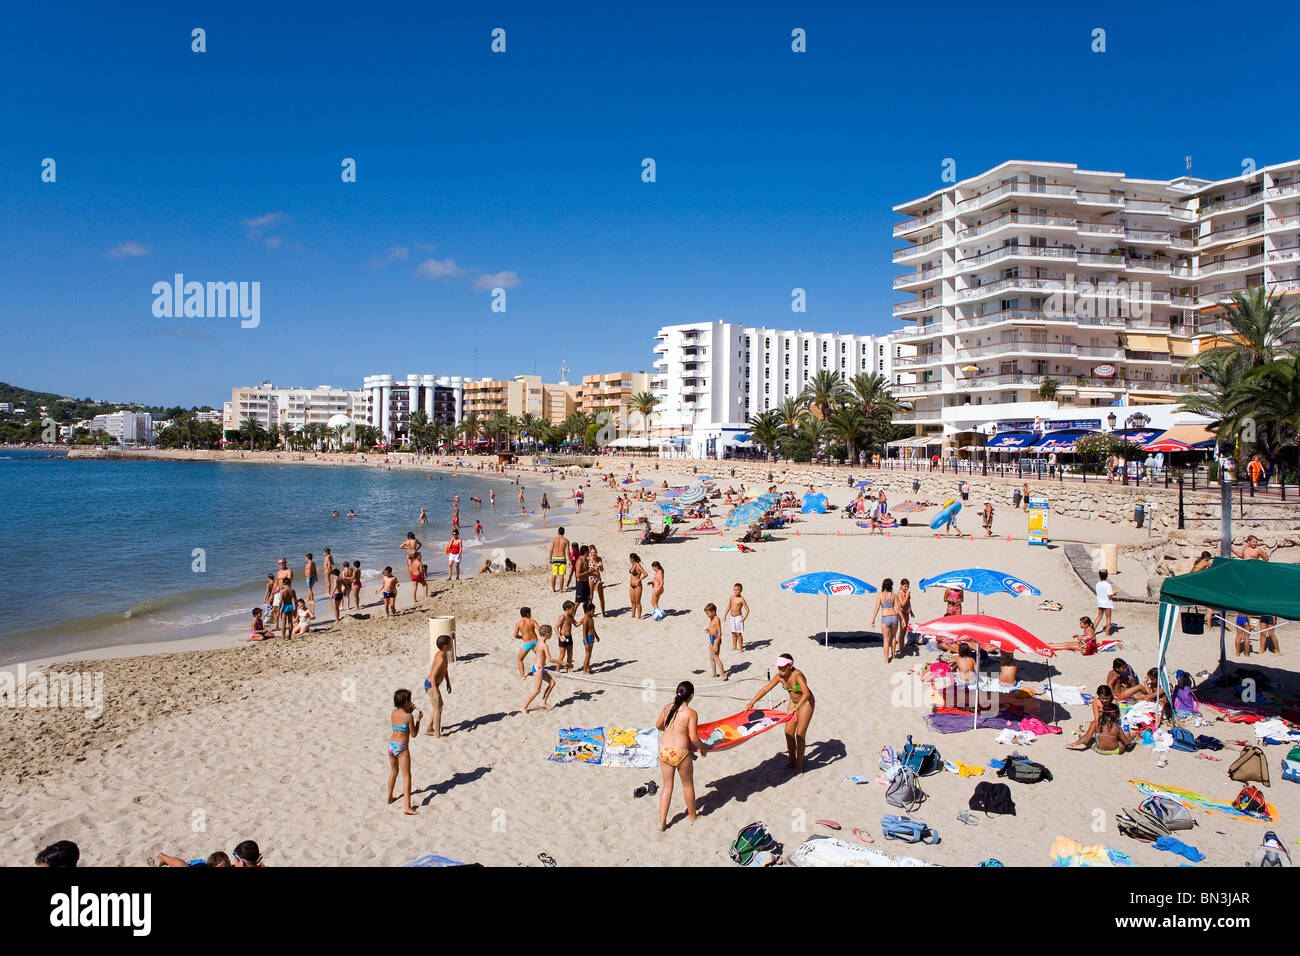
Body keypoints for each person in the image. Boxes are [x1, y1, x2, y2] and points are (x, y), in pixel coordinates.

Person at [746, 655, 815, 772]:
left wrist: (796, 708)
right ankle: (792, 762)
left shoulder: (797, 675)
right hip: (793, 702)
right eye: (779, 667)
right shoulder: (779, 677)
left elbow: (806, 693)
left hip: (806, 702)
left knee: (800, 734)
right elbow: (766, 689)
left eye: (783, 667)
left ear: (790, 666)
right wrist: (752, 702)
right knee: (788, 733)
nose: (780, 670)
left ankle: (799, 766)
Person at [656, 681, 709, 830]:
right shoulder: (691, 713)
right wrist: (702, 748)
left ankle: (662, 821)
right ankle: (692, 815)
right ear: (691, 695)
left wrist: (668, 729)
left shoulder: (668, 708)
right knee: (687, 785)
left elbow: (658, 725)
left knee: (667, 786)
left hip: (664, 749)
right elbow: (693, 737)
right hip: (680, 752)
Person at [385, 689, 422, 816]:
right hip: (402, 747)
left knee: (394, 772)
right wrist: (418, 720)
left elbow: (399, 723)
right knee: (407, 776)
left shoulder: (393, 712)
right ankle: (407, 806)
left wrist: (408, 711)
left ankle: (389, 798)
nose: (411, 702)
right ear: (406, 702)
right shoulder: (409, 717)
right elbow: (414, 734)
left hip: (391, 745)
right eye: (409, 700)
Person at [521, 625, 562, 713]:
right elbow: (550, 659)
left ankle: (543, 702)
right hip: (538, 669)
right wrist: (561, 662)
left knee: (552, 683)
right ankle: (524, 707)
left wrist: (541, 658)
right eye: (551, 632)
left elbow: (535, 650)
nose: (552, 634)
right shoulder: (544, 645)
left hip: (540, 667)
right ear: (547, 634)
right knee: (537, 690)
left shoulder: (538, 642)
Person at [424, 633, 452, 737]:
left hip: (435, 685)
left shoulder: (443, 655)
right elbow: (432, 677)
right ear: (445, 646)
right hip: (431, 685)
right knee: (438, 708)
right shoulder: (440, 659)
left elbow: (445, 670)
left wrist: (448, 683)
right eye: (450, 644)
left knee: (438, 706)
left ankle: (429, 728)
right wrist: (436, 692)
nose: (451, 645)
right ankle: (437, 734)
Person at [871, 578, 901, 664]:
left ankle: (886, 659)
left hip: (886, 617)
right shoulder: (893, 595)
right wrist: (901, 619)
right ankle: (894, 655)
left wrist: (873, 618)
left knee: (886, 639)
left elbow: (877, 608)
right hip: (894, 617)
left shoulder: (880, 595)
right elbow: (898, 608)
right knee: (893, 637)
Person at [513, 606, 541, 680]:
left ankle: (522, 676)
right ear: (528, 614)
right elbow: (539, 629)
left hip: (527, 643)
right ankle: (541, 668)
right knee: (539, 656)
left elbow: (515, 635)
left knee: (519, 659)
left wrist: (521, 637)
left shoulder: (519, 623)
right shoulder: (532, 621)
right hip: (535, 641)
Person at [704, 602, 726, 680]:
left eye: (708, 613)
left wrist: (716, 643)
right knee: (711, 657)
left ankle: (723, 675)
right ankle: (714, 673)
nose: (707, 615)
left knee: (716, 657)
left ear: (713, 612)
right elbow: (712, 630)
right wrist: (708, 631)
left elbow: (720, 633)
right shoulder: (711, 618)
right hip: (711, 638)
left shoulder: (717, 619)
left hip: (716, 638)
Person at [725, 583, 749, 652]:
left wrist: (744, 618)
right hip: (732, 617)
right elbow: (729, 606)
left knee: (739, 634)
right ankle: (734, 646)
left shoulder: (741, 599)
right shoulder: (731, 597)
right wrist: (725, 614)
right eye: (734, 590)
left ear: (741, 590)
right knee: (733, 633)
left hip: (738, 617)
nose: (735, 591)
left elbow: (747, 609)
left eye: (737, 590)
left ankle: (741, 648)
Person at [579, 601, 600, 674]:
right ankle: (584, 670)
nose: (594, 612)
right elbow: (584, 633)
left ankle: (587, 668)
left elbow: (592, 628)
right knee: (587, 655)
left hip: (591, 637)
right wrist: (587, 643)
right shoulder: (585, 620)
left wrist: (596, 636)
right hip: (587, 638)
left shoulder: (590, 617)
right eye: (592, 611)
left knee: (589, 655)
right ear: (587, 611)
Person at [555, 600, 577, 671]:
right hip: (563, 637)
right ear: (567, 609)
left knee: (570, 653)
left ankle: (569, 669)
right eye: (572, 609)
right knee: (562, 655)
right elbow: (556, 628)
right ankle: (557, 670)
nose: (573, 610)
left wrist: (583, 620)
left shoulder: (570, 616)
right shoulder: (562, 617)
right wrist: (560, 637)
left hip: (569, 637)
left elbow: (576, 624)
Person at [1095, 568, 1115, 636]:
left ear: (1099, 575)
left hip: (1100, 602)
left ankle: (1093, 630)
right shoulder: (1107, 585)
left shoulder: (1097, 584)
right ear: (1107, 576)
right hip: (1107, 603)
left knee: (1099, 616)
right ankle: (1107, 634)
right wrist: (1114, 593)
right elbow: (1109, 596)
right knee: (1108, 618)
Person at [548, 527, 569, 593]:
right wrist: (570, 560)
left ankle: (553, 589)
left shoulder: (554, 540)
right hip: (562, 558)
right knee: (561, 574)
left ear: (558, 532)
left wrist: (550, 558)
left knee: (554, 574)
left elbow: (551, 550)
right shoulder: (566, 541)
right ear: (564, 532)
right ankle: (561, 589)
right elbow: (568, 551)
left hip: (555, 558)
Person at [629, 553, 649, 620]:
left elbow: (646, 574)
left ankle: (639, 617)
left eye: (630, 558)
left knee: (638, 602)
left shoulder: (638, 566)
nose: (629, 560)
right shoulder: (633, 565)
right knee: (632, 601)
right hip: (631, 586)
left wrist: (639, 579)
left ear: (632, 559)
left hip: (637, 586)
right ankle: (633, 616)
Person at [588, 545, 606, 616]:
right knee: (591, 596)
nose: (593, 554)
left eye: (594, 552)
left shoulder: (599, 559)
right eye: (592, 553)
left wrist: (601, 566)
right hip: (591, 578)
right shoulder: (588, 559)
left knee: (601, 597)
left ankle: (603, 613)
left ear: (597, 552)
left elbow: (602, 570)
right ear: (590, 553)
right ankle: (589, 612)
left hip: (598, 579)